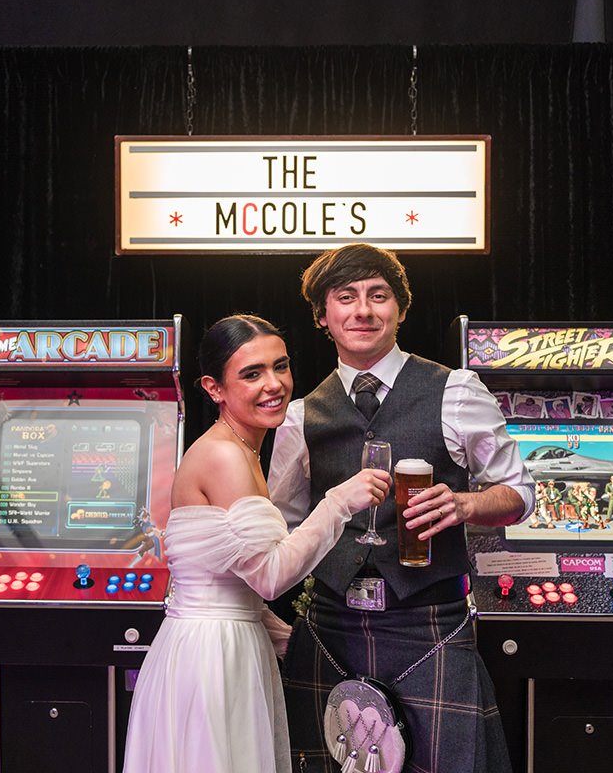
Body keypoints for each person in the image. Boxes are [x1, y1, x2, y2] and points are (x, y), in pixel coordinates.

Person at [268, 244, 535, 772]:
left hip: (428, 623)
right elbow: (286, 528)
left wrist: (466, 504)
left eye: (378, 295)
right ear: (324, 316)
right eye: (346, 297)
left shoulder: (456, 392)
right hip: (330, 626)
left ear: (400, 309)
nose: (363, 310)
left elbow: (519, 495)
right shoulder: (299, 416)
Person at [122, 314, 390, 773]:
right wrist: (340, 501)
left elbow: (227, 576)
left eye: (280, 366)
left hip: (218, 645)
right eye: (252, 373)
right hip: (214, 658)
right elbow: (269, 575)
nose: (275, 384)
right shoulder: (226, 456)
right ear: (214, 388)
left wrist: (284, 636)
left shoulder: (240, 449)